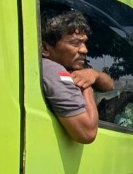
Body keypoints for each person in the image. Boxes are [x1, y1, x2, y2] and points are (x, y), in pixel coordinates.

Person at [41, 11, 113, 143]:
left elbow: (109, 84)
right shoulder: (54, 72)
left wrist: (94, 75)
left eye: (84, 43)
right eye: (75, 43)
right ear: (45, 48)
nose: (84, 50)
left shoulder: (67, 65)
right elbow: (87, 133)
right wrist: (87, 87)